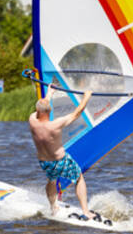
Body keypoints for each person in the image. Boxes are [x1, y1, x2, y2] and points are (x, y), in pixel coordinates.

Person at [29, 84, 95, 220]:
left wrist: (49, 93)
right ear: (50, 110)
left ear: (37, 111)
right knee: (78, 178)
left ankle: (54, 208)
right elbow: (77, 113)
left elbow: (42, 106)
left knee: (51, 181)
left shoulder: (32, 120)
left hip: (44, 162)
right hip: (60, 161)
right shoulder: (55, 124)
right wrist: (86, 97)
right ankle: (86, 211)